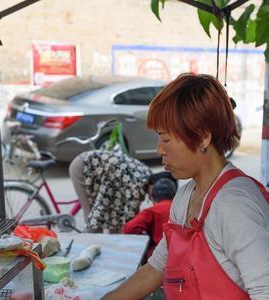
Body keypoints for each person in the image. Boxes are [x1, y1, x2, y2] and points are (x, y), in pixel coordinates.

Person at [102, 73, 269, 299]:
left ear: (202, 138)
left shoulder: (234, 205)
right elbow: (156, 268)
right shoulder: (185, 196)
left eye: (166, 138)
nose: (160, 149)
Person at [122, 176, 177, 260]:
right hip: (186, 257)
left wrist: (147, 235)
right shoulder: (183, 208)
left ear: (152, 197)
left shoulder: (152, 211)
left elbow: (128, 229)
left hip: (160, 259)